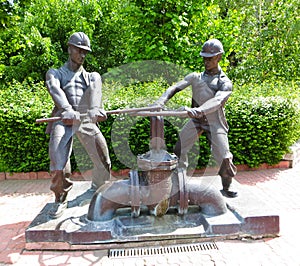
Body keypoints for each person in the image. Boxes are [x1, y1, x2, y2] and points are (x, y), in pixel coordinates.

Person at [153, 39, 238, 198]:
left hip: (214, 122)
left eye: (210, 58)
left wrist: (198, 110)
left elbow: (217, 101)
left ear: (219, 57)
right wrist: (161, 101)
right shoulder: (195, 77)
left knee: (225, 157)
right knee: (179, 149)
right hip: (196, 121)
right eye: (204, 58)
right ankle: (179, 179)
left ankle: (226, 186)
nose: (206, 61)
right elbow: (175, 87)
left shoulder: (224, 82)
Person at [45, 32, 111, 218]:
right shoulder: (55, 73)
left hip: (84, 121)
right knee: (58, 165)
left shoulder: (92, 76)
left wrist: (97, 109)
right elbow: (54, 89)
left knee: (103, 159)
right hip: (63, 120)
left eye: (85, 52)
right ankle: (60, 198)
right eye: (79, 50)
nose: (82, 55)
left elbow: (96, 97)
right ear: (69, 49)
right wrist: (66, 108)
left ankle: (98, 189)